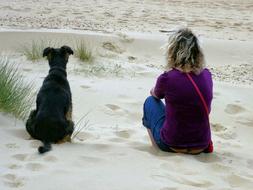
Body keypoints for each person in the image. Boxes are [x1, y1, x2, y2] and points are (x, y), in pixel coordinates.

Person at [142, 28, 213, 154]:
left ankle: (157, 149)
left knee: (150, 102)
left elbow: (156, 95)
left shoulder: (168, 77)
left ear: (173, 51)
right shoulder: (206, 75)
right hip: (201, 145)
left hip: (172, 144)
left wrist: (156, 89)